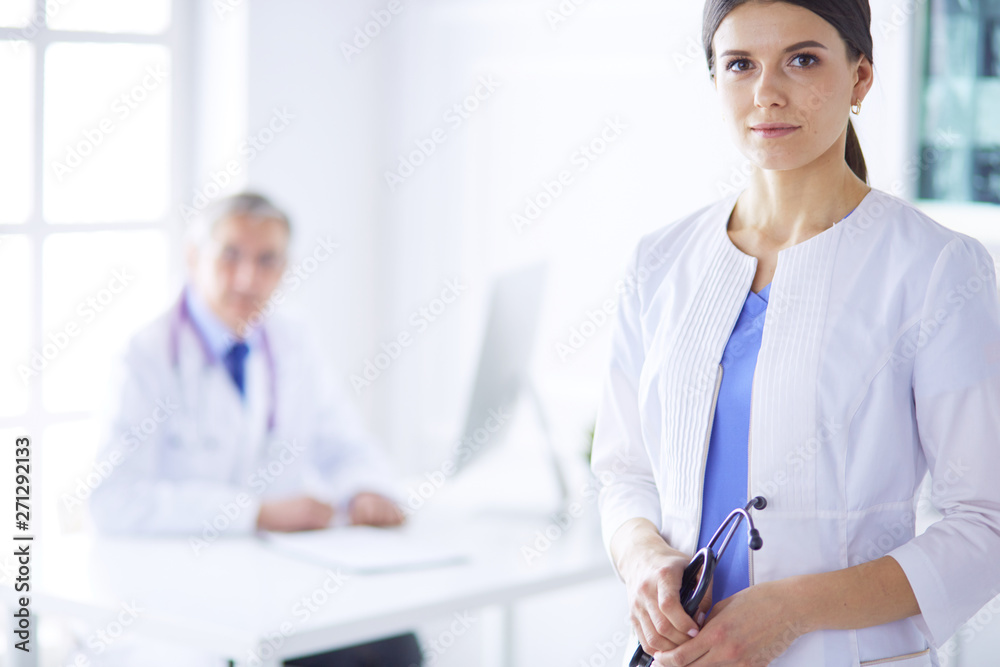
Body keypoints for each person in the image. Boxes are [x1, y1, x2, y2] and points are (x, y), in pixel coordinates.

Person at [590, 1, 1000, 666]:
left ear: (860, 77)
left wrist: (788, 612)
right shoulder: (659, 263)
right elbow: (624, 471)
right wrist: (641, 558)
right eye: (740, 65)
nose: (767, 93)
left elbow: (986, 522)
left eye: (802, 60)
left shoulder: (935, 268)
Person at [89, 192, 423, 667]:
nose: (247, 278)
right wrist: (255, 513)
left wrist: (365, 488)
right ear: (193, 256)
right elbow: (112, 500)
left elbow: (344, 442)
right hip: (179, 597)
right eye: (230, 255)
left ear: (285, 268)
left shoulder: (293, 341)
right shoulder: (145, 355)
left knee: (391, 642)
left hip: (273, 583)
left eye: (267, 261)